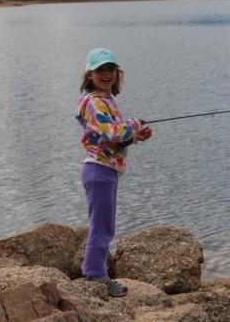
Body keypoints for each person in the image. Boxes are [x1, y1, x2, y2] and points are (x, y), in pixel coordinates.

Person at [75, 47, 152, 297]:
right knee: (102, 226)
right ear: (89, 75)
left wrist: (135, 137)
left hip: (105, 170)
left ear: (117, 74)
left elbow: (113, 138)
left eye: (110, 69)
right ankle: (96, 275)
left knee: (105, 224)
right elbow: (112, 131)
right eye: (100, 70)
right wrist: (134, 125)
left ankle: (94, 272)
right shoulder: (95, 103)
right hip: (98, 171)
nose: (106, 74)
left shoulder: (106, 100)